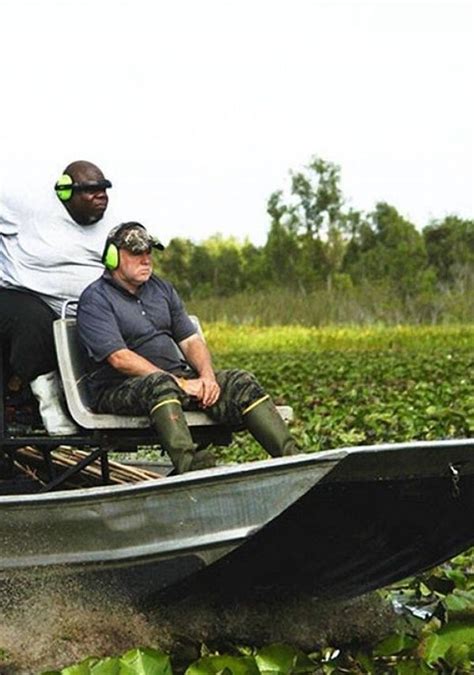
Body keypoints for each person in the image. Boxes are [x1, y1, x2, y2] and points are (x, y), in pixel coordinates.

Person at [77, 221, 298, 473]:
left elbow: (191, 340)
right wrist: (180, 383)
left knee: (240, 381)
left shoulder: (162, 289)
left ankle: (294, 462)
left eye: (149, 252)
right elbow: (119, 358)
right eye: (137, 253)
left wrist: (207, 378)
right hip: (119, 389)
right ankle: (190, 472)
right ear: (113, 258)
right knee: (160, 383)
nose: (146, 260)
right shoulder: (96, 299)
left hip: (176, 383)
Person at [0, 160, 115, 434]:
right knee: (33, 319)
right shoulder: (27, 209)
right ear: (65, 192)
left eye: (104, 190)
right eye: (91, 190)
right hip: (24, 297)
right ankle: (49, 404)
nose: (101, 197)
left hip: (83, 310)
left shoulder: (112, 225)